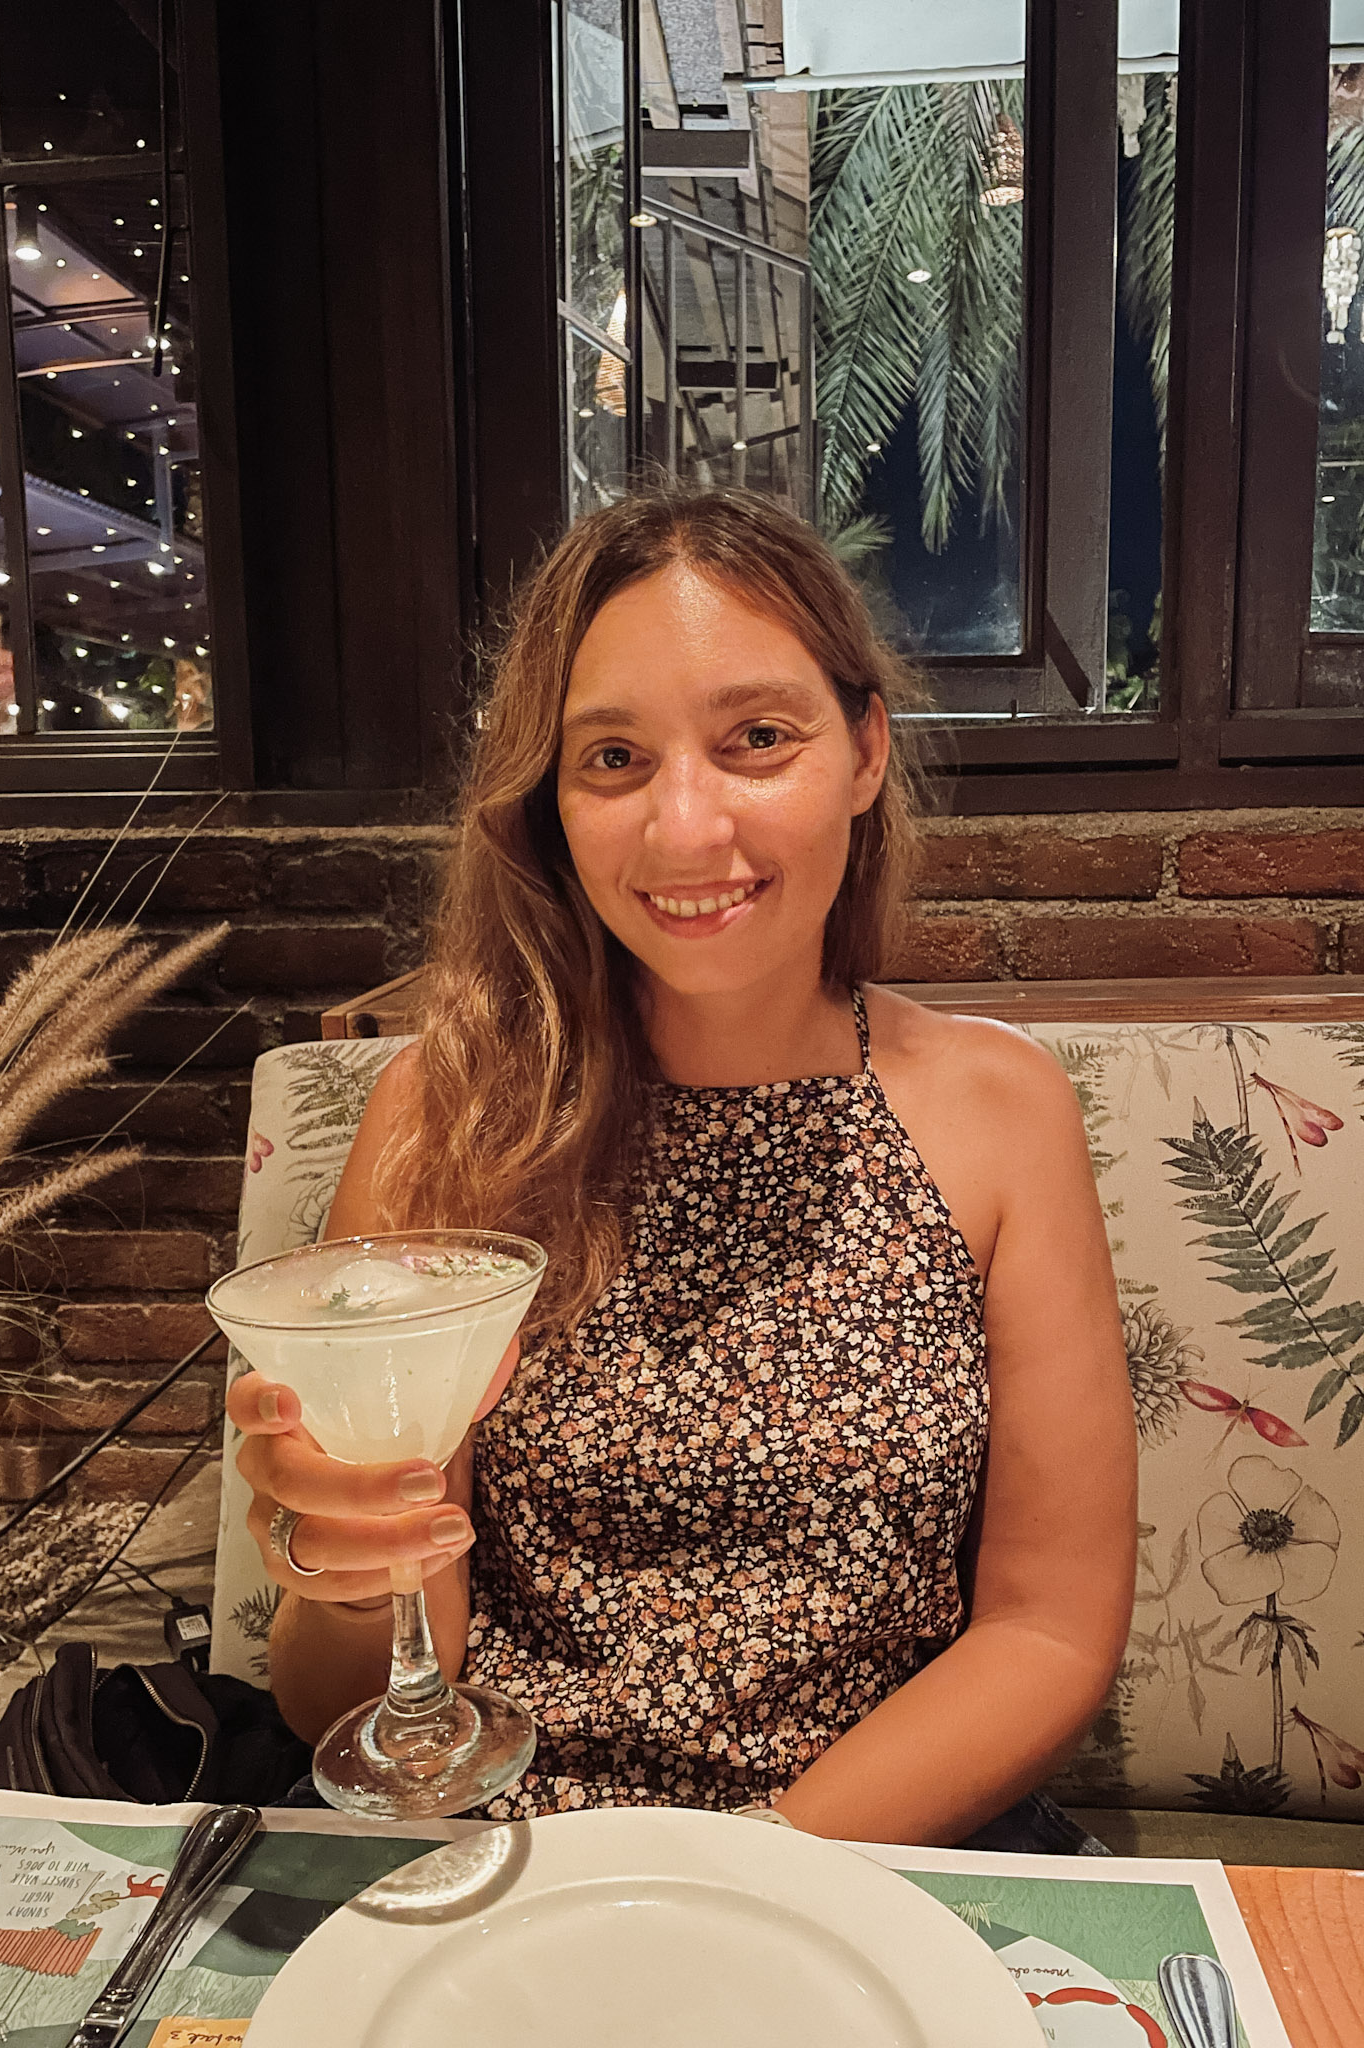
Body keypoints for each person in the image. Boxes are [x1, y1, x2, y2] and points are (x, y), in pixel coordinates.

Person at [229, 487, 1136, 1847]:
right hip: (508, 1857)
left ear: (866, 750)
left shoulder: (1002, 1113)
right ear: (550, 798)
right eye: (613, 760)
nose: (686, 828)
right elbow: (340, 1710)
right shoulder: (449, 1118)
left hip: (867, 1856)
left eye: (757, 739)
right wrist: (348, 1582)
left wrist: (743, 1876)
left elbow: (1050, 1631)